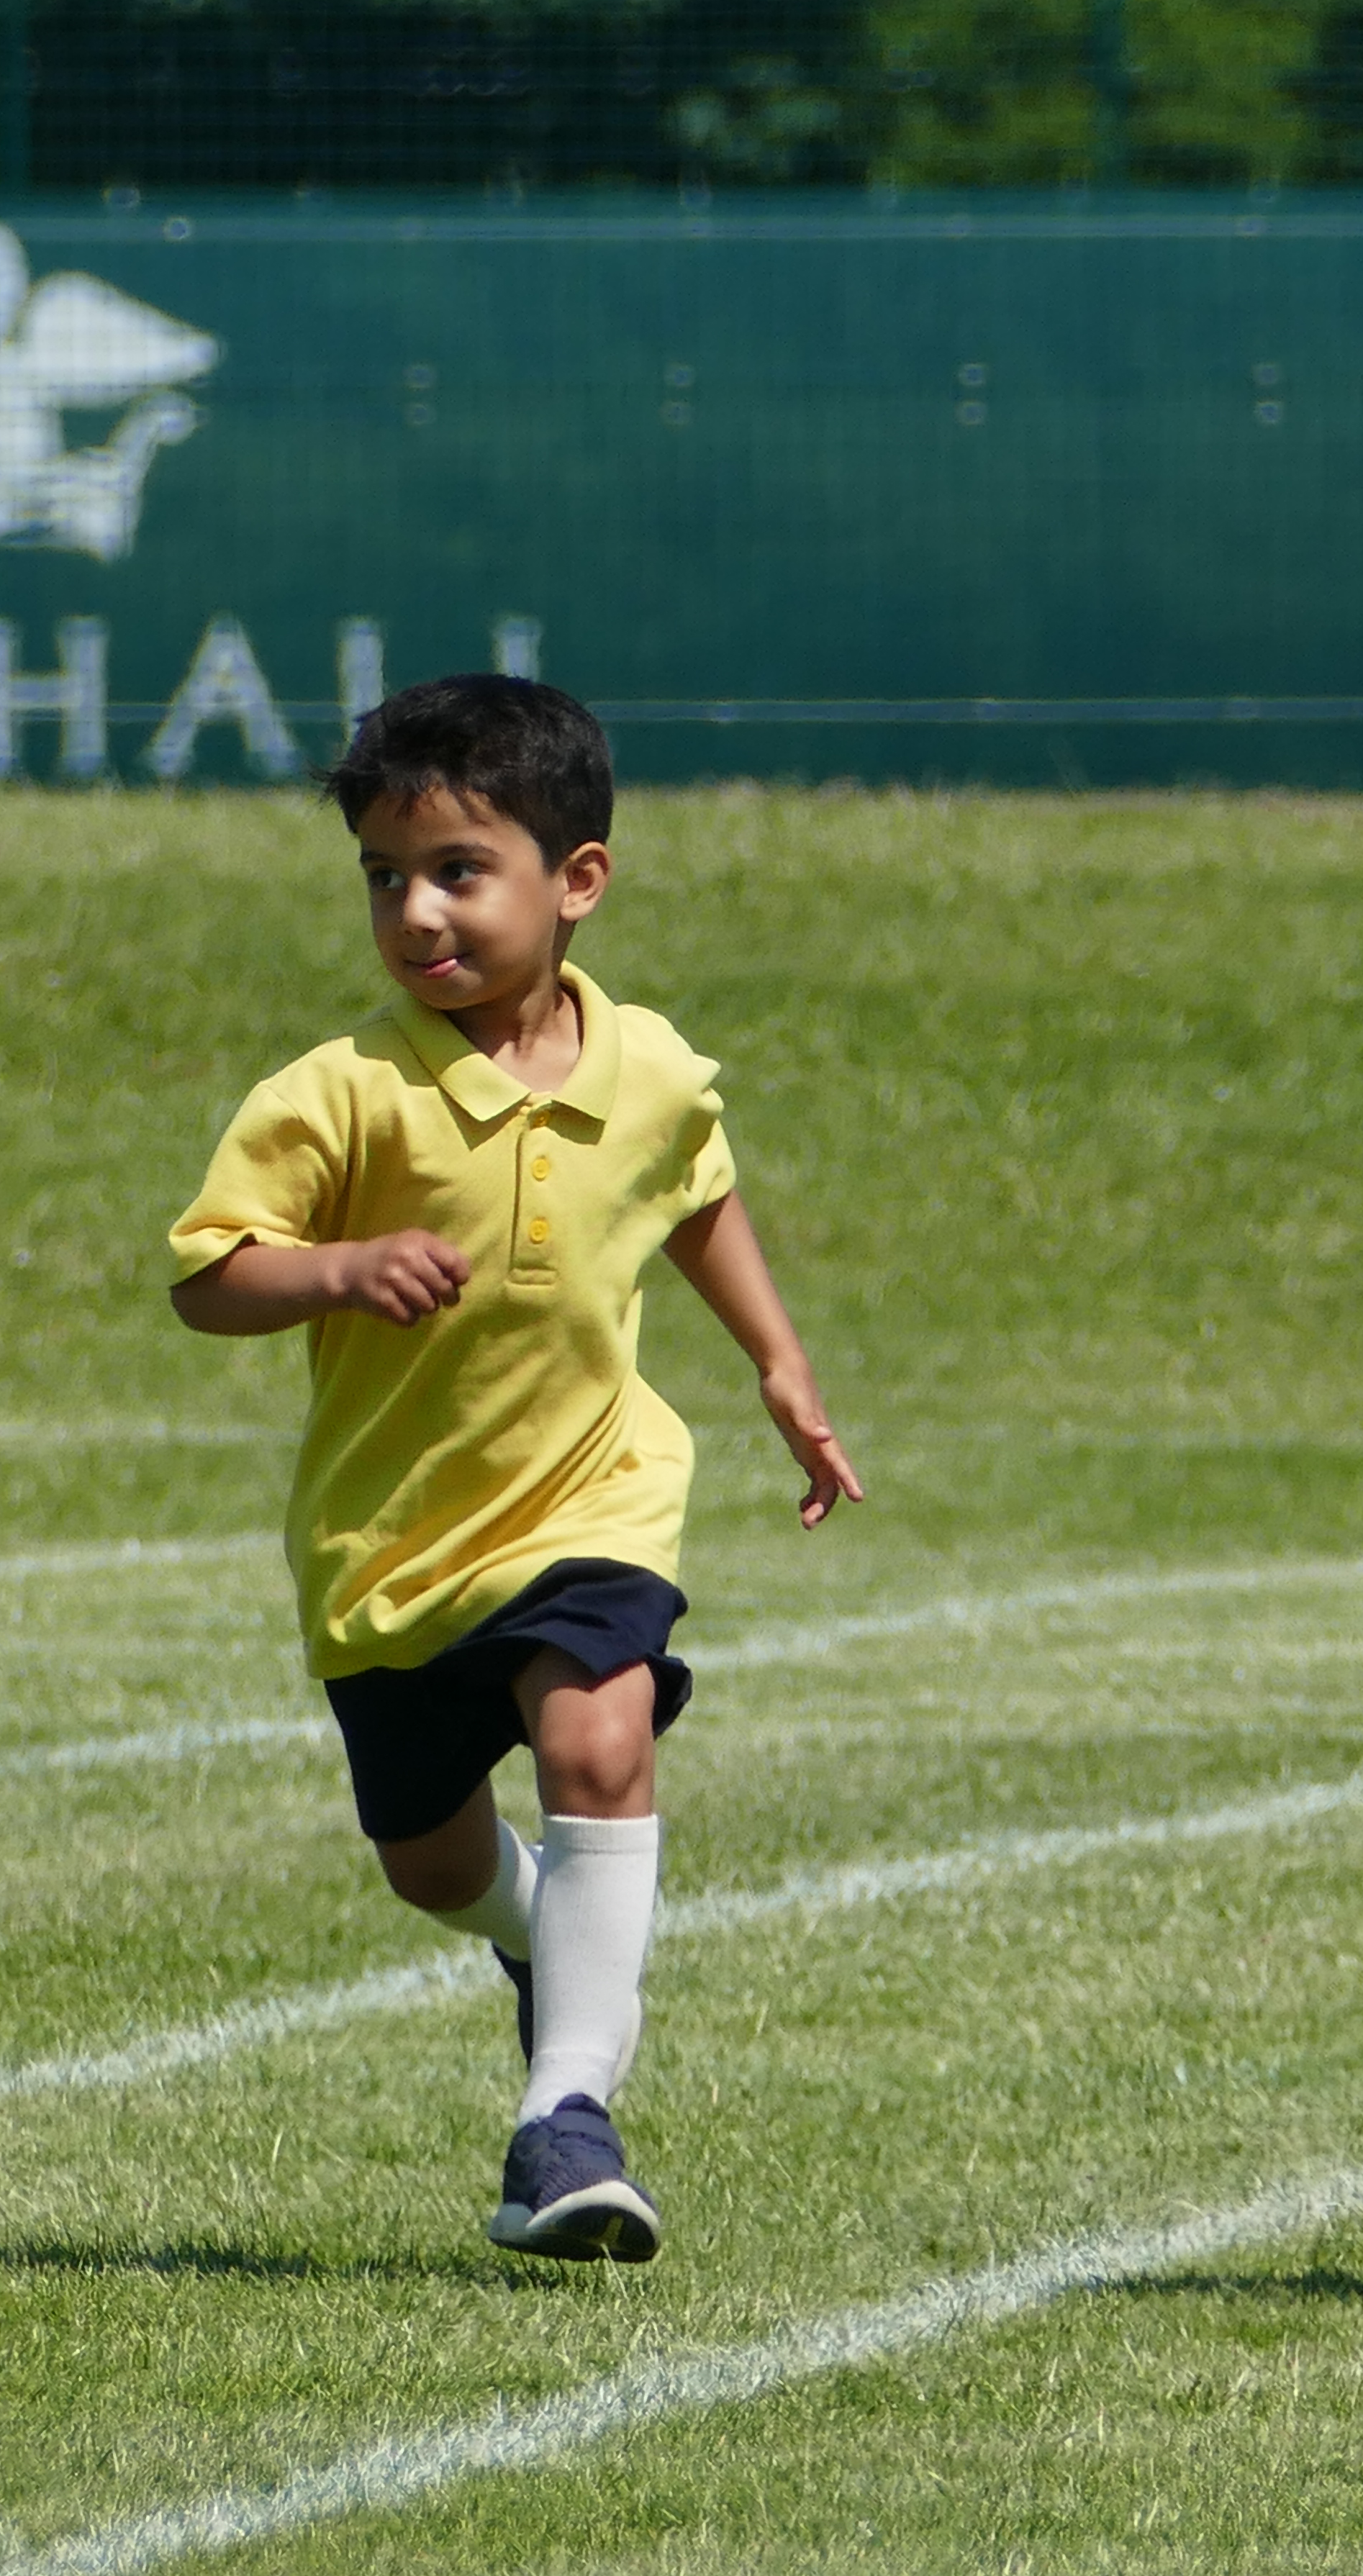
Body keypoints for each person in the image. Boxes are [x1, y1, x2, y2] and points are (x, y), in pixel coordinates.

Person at [166, 674, 864, 2264]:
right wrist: (333, 1273)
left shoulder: (654, 1066)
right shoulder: (335, 1094)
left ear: (579, 881)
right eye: (383, 877)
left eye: (459, 871)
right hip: (393, 1544)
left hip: (593, 1496)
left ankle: (565, 2125)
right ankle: (538, 1933)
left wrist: (777, 1358)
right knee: (430, 1862)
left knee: (602, 1731)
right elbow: (210, 1276)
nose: (417, 913)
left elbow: (693, 1185)